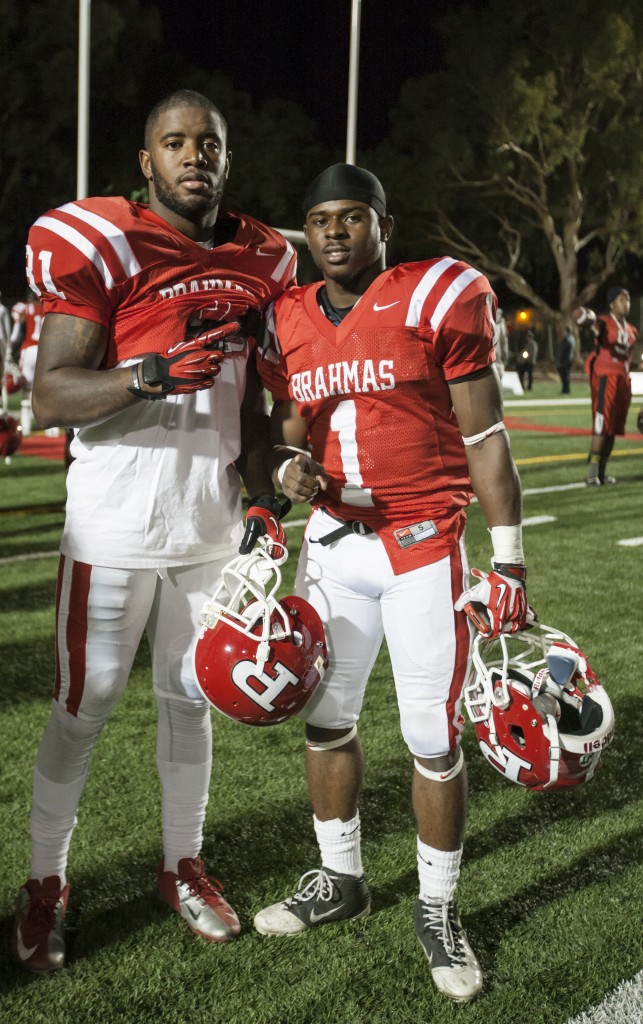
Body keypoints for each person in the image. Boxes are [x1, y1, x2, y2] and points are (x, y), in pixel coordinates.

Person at [12, 89, 296, 974]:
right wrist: (145, 375)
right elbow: (51, 393)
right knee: (83, 705)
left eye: (207, 144)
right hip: (111, 526)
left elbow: (248, 403)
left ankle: (182, 865)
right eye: (174, 143)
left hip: (210, 528)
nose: (193, 157)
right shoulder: (108, 243)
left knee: (189, 704)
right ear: (147, 161)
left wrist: (262, 493)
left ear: (226, 157)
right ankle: (44, 883)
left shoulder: (262, 261)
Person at [252, 164, 529, 1004]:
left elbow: (483, 437)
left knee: (431, 737)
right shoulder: (289, 317)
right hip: (333, 544)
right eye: (319, 220)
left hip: (419, 543)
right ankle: (341, 878)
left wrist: (509, 560)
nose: (334, 232)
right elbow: (284, 436)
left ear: (382, 224)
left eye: (351, 217)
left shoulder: (435, 295)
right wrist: (285, 473)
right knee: (326, 720)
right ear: (308, 231)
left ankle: (439, 905)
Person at [584, 286, 637, 485]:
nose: (626, 303)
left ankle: (602, 473)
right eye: (622, 299)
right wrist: (585, 319)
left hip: (623, 380)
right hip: (605, 377)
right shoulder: (604, 322)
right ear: (612, 303)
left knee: (613, 427)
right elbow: (593, 329)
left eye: (628, 299)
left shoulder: (631, 329)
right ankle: (592, 473)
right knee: (601, 426)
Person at [9, 289, 45, 435]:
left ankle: (26, 428)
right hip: (44, 351)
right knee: (45, 390)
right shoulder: (45, 307)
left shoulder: (22, 307)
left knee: (26, 392)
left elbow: (17, 332)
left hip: (29, 349)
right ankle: (52, 429)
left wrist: (11, 351)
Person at [556, 325, 576, 394]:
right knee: (566, 375)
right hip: (569, 360)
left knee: (565, 375)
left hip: (566, 361)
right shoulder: (572, 339)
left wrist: (560, 361)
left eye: (564, 331)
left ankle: (566, 389)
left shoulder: (567, 340)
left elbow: (564, 352)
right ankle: (565, 389)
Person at [492, 306, 509, 378]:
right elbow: (504, 341)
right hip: (496, 354)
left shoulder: (487, 321)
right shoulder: (500, 325)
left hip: (494, 354)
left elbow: (504, 341)